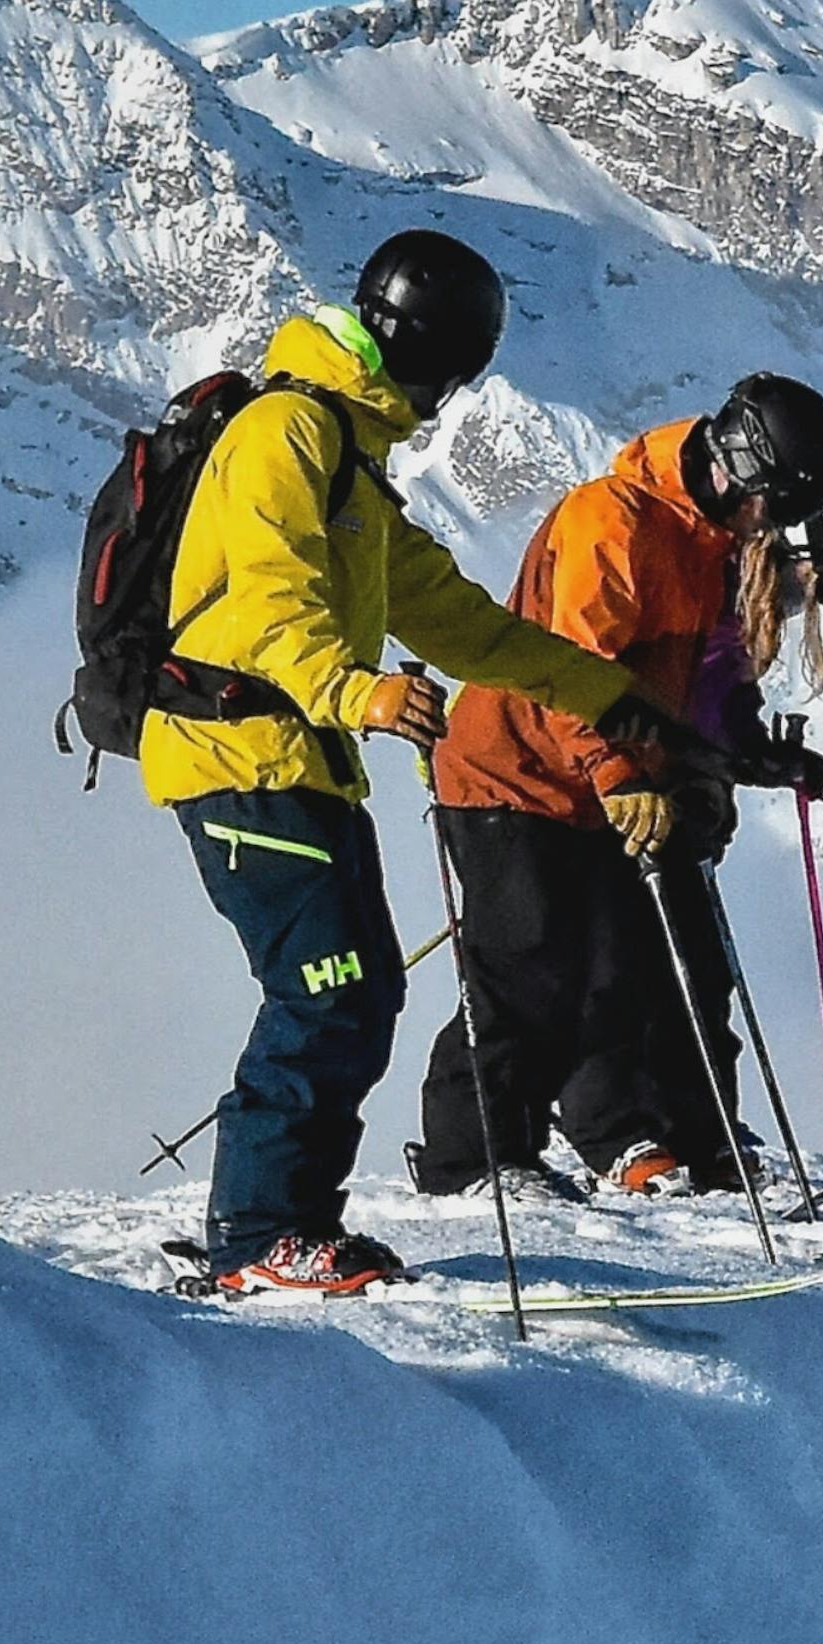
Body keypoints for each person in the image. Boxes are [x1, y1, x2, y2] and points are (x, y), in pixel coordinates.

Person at [145, 230, 651, 1294]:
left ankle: (290, 1226)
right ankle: (255, 1233)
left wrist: (604, 691)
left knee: (359, 988)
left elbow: (462, 623)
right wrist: (359, 690)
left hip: (299, 757)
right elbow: (270, 601)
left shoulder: (347, 460)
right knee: (327, 988)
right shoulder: (284, 433)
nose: (448, 398)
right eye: (454, 373)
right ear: (432, 357)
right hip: (241, 753)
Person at [411, 376, 823, 1200]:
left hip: (605, 786)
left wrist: (753, 751)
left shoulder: (712, 541)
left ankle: (645, 1137)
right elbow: (571, 669)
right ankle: (472, 1159)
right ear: (744, 474)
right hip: (511, 774)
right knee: (528, 968)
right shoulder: (609, 521)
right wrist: (616, 773)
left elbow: (707, 680)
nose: (778, 528)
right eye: (779, 505)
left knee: (631, 968)